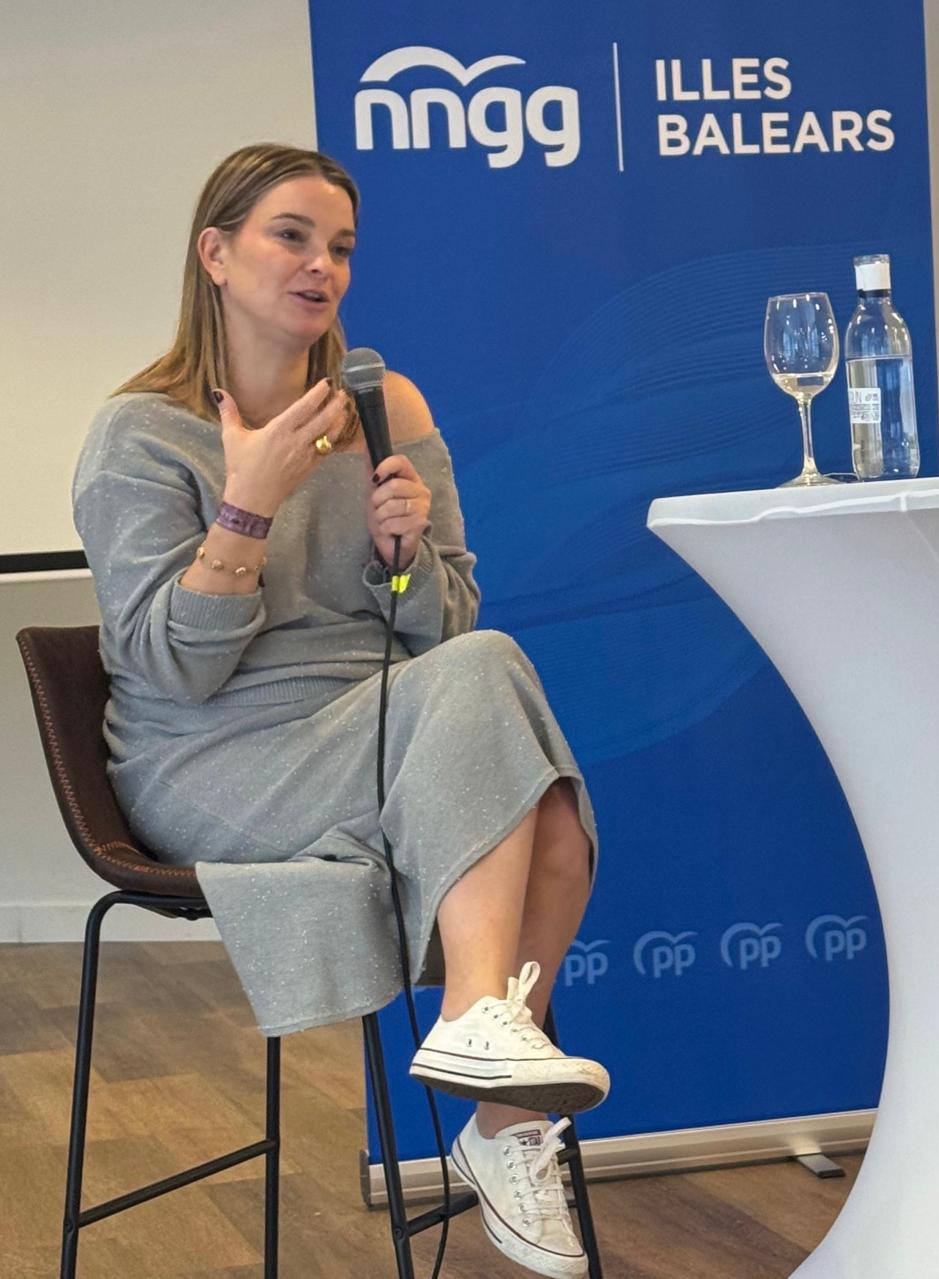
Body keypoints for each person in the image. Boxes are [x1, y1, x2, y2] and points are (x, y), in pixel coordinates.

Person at [73, 143, 602, 1277]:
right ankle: (486, 1054)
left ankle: (499, 1106)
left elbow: (444, 634)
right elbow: (170, 673)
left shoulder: (385, 407)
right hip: (210, 753)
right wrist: (248, 505)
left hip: (372, 720)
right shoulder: (140, 434)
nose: (323, 266)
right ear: (216, 255)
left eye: (343, 247)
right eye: (292, 237)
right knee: (514, 740)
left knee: (552, 812)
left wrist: (401, 560)